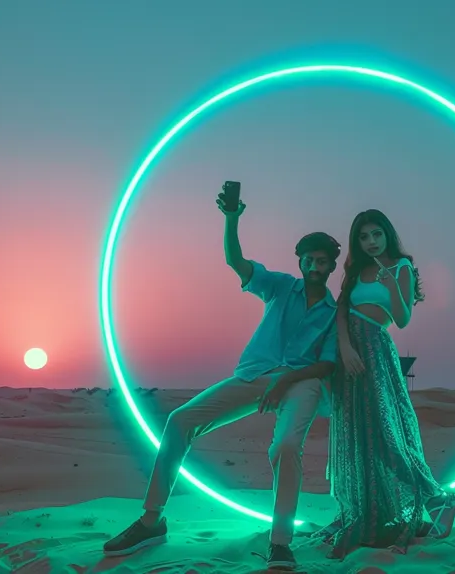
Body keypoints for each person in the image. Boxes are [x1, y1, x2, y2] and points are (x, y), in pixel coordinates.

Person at [103, 187, 342, 572]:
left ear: (332, 265)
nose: (315, 265)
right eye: (309, 259)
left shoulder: (334, 311)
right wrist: (232, 218)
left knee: (284, 448)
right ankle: (151, 520)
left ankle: (280, 542)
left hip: (303, 381)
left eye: (323, 261)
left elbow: (327, 365)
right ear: (299, 261)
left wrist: (286, 382)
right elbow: (237, 261)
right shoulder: (280, 286)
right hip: (255, 373)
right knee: (179, 421)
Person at [317, 208, 455, 559]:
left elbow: (403, 318)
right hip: (347, 353)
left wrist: (392, 280)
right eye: (364, 236)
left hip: (375, 352)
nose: (370, 242)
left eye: (376, 234)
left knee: (385, 435)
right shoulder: (354, 270)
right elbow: (341, 310)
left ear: (387, 234)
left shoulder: (402, 268)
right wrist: (345, 348)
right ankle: (361, 512)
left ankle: (437, 498)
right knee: (355, 435)